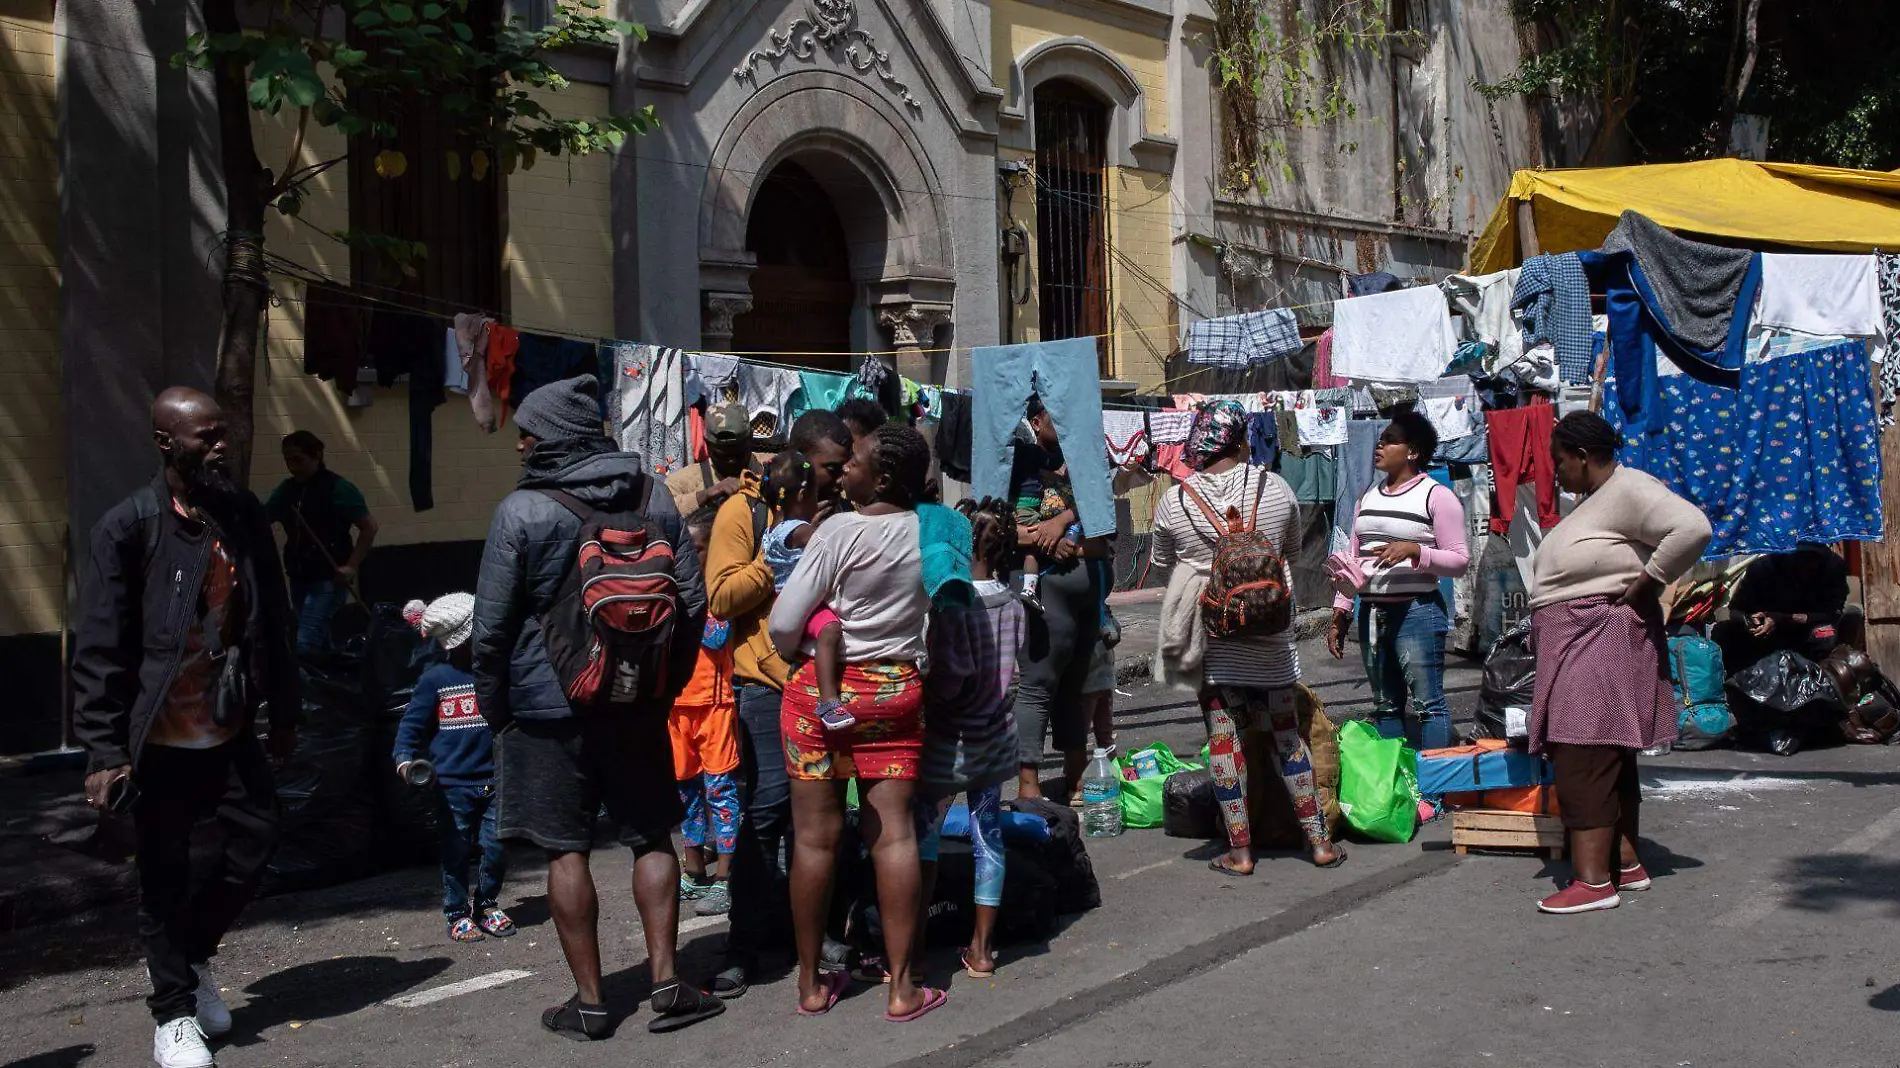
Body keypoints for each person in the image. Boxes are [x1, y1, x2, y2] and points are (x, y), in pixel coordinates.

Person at [470, 374, 724, 1037]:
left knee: (565, 850)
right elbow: (693, 605)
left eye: (527, 430)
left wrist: (496, 709)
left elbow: (491, 629)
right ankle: (669, 982)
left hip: (544, 706)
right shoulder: (655, 497)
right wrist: (662, 686)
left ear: (551, 437)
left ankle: (589, 1003)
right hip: (634, 697)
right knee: (650, 834)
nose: (519, 441)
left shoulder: (520, 512)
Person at [72, 387, 299, 1068]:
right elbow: (100, 648)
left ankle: (189, 957)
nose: (220, 446)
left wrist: (285, 711)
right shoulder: (129, 526)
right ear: (166, 442)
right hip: (157, 742)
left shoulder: (240, 515)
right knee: (164, 876)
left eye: (223, 433)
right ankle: (172, 1013)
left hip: (226, 728)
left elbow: (272, 621)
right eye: (205, 436)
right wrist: (103, 752)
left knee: (256, 842)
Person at [768, 424, 942, 1022]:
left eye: (856, 462)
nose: (843, 469)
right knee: (893, 833)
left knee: (815, 840)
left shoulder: (840, 532)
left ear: (884, 477)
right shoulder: (934, 531)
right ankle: (902, 989)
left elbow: (785, 623)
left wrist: (803, 645)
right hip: (895, 694)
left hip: (823, 697)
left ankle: (811, 985)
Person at [1529, 411, 1711, 915]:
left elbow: (1692, 527)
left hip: (1600, 637)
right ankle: (1624, 863)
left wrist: (1651, 580)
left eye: (1560, 461)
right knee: (1606, 754)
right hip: (1582, 638)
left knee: (1583, 750)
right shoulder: (1600, 500)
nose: (1557, 471)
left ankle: (1592, 883)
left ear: (1584, 458)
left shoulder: (1629, 486)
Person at [1151, 399, 1343, 876]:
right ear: (1241, 439)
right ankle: (1318, 842)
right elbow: (1294, 551)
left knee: (1223, 741)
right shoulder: (1275, 487)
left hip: (1215, 641)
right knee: (1288, 738)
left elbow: (1160, 563)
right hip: (1273, 643)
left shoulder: (1175, 500)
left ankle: (1240, 851)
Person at [702, 410, 855, 998]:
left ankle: (817, 935)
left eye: (843, 469)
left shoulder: (839, 514)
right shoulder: (744, 512)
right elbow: (720, 596)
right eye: (830, 468)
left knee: (823, 818)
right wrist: (781, 550)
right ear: (800, 460)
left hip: (827, 683)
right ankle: (745, 944)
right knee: (766, 813)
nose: (839, 478)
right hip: (766, 687)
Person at [917, 498, 1025, 979]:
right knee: (989, 834)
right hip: (997, 735)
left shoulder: (955, 603)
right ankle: (982, 949)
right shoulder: (1013, 604)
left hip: (951, 738)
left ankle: (912, 947)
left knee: (925, 837)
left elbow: (947, 675)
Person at [1326, 410, 1470, 752]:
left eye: (1390, 439)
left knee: (1428, 705)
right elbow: (1353, 558)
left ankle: (1435, 793)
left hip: (1417, 612)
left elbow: (1460, 560)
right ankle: (1398, 785)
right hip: (1372, 614)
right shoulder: (1368, 497)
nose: (1380, 444)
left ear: (1413, 451)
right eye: (1381, 438)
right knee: (1386, 706)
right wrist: (1341, 611)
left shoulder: (1436, 496)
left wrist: (1415, 550)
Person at [393, 592, 514, 943]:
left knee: (497, 848)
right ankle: (457, 912)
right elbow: (411, 728)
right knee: (456, 850)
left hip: (496, 779)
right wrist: (404, 760)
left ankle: (487, 903)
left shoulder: (495, 673)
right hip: (451, 786)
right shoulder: (435, 680)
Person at [1010, 393, 1105, 803]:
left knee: (1077, 684)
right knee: (1038, 684)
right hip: (1043, 592)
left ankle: (1076, 777)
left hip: (1087, 594)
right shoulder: (1020, 466)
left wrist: (1065, 529)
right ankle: (1028, 783)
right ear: (1036, 419)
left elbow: (1103, 540)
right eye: (1055, 417)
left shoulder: (1086, 468)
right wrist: (1046, 542)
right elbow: (1001, 530)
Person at [671, 506, 742, 917]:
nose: (686, 557)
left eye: (694, 549)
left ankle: (726, 875)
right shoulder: (674, 591)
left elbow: (715, 639)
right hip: (676, 706)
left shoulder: (718, 595)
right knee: (685, 790)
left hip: (713, 706)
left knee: (719, 789)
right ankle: (693, 867)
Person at [266, 430, 377, 654]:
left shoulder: (338, 489)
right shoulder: (287, 490)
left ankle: (308, 686)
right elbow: (263, 516)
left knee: (306, 642)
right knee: (319, 638)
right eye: (288, 460)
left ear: (317, 455)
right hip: (299, 575)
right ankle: (334, 681)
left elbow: (369, 527)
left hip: (329, 577)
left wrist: (351, 565)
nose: (293, 467)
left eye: (298, 459)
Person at [761, 450, 850, 728]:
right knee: (830, 630)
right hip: (802, 602)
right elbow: (828, 548)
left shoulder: (774, 527)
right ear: (802, 496)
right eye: (814, 495)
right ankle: (829, 700)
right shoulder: (800, 531)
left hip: (785, 600)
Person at [1714, 542, 1860, 670]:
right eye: (1800, 556)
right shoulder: (1762, 568)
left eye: (1812, 558)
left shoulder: (1834, 568)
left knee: (1825, 634)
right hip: (1764, 636)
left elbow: (1832, 614)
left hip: (1807, 631)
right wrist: (1749, 621)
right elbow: (1736, 610)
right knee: (1724, 632)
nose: (1806, 564)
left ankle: (1821, 687)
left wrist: (1783, 619)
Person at [667, 402, 761, 514]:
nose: (731, 461)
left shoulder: (769, 472)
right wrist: (707, 494)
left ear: (750, 438)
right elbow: (663, 511)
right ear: (707, 443)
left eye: (738, 453)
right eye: (722, 455)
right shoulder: (685, 481)